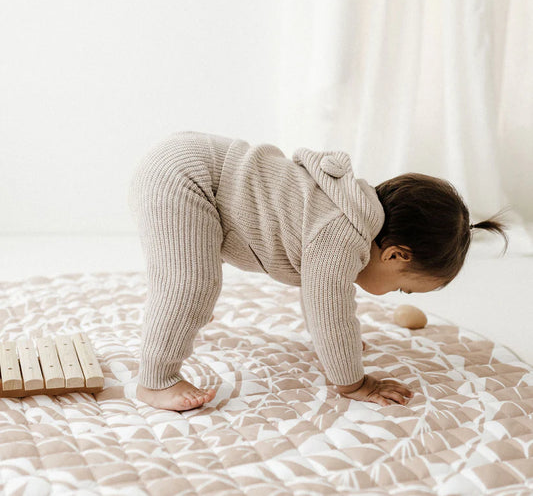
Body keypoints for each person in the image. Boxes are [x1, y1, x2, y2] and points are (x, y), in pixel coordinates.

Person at [128, 131, 508, 411]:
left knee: (193, 284)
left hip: (193, 165)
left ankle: (181, 316)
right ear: (395, 256)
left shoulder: (350, 211)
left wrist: (334, 345)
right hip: (185, 177)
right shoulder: (343, 235)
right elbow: (330, 310)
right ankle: (156, 380)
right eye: (402, 289)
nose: (396, 294)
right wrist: (354, 382)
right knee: (190, 284)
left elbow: (318, 297)